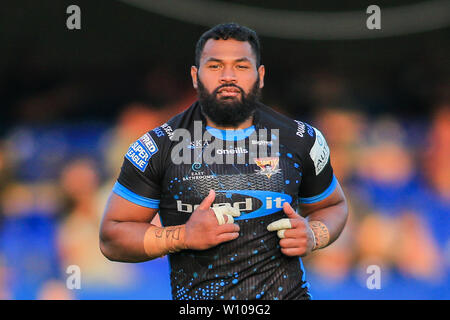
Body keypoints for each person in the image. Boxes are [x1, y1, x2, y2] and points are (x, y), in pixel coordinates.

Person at [99, 23, 348, 300]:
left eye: (241, 66)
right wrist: (182, 236)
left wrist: (313, 235)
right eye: (215, 66)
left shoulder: (301, 139)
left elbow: (333, 205)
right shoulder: (158, 146)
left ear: (260, 75)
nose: (228, 76)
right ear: (195, 76)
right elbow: (112, 237)